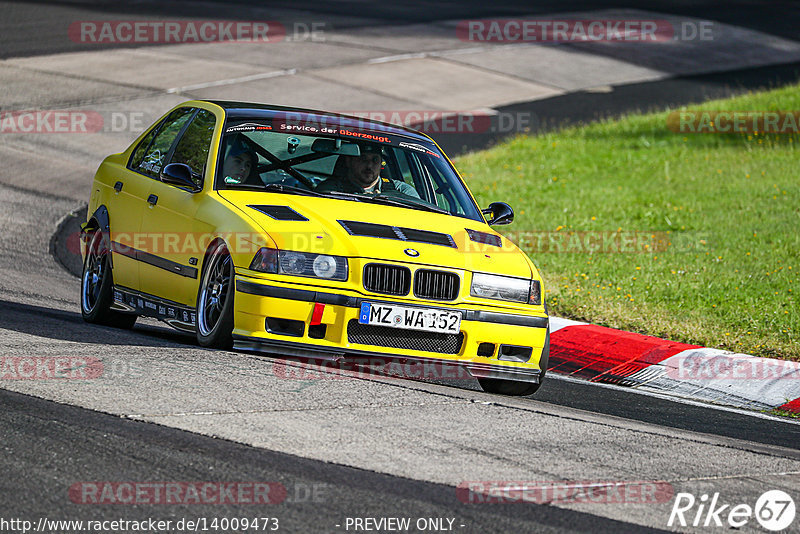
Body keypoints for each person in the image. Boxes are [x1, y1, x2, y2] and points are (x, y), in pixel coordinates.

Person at [316, 144, 420, 198]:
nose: (369, 165)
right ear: (349, 161)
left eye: (375, 160)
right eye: (363, 159)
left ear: (381, 163)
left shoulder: (402, 191)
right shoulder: (329, 190)